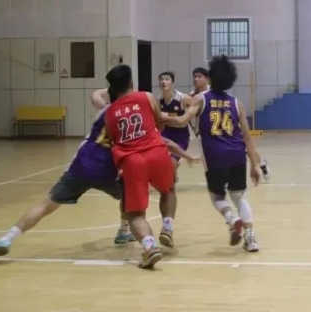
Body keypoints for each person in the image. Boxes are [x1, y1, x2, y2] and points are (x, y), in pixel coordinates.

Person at [0, 89, 136, 263]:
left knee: (45, 205)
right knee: (130, 195)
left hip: (81, 165)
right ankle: (125, 232)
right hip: (107, 170)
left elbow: (94, 96)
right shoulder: (131, 119)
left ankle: (7, 238)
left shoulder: (105, 110)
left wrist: (109, 88)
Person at [163, 55, 262, 252]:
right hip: (237, 155)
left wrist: (160, 116)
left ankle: (231, 219)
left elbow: (182, 122)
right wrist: (255, 164)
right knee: (239, 197)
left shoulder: (201, 99)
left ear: (211, 77)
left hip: (215, 156)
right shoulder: (236, 103)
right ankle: (251, 239)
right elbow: (247, 137)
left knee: (217, 197)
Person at [105, 64, 199, 269]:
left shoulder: (110, 113)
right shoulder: (147, 97)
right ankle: (167, 227)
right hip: (157, 152)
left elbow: (113, 140)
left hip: (132, 161)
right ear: (131, 83)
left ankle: (150, 247)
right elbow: (160, 125)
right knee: (169, 189)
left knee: (135, 214)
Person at [157, 72, 194, 174]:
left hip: (180, 135)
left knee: (170, 166)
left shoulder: (183, 98)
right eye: (161, 79)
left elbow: (197, 107)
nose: (163, 81)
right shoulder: (158, 100)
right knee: (158, 163)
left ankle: (173, 168)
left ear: (172, 83)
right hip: (165, 133)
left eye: (167, 79)